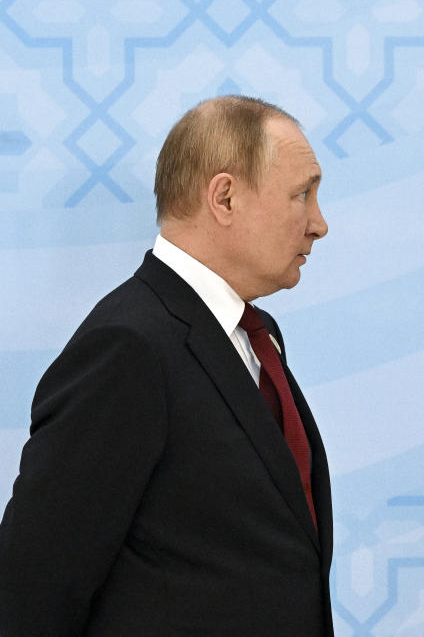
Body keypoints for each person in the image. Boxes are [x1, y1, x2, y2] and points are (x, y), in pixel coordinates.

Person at [0, 96, 335, 635]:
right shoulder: (127, 348)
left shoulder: (256, 336)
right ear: (224, 197)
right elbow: (33, 587)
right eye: (302, 195)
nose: (319, 224)